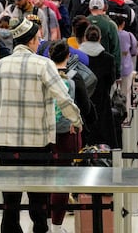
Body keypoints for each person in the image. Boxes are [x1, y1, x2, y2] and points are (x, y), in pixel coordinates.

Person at [0, 17, 82, 233]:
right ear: (30, 41)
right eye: (37, 39)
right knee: (38, 198)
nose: (39, 43)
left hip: (7, 144)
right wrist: (76, 119)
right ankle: (39, 229)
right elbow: (63, 97)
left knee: (10, 199)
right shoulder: (43, 64)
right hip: (38, 142)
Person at [48, 40, 96, 233]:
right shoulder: (74, 78)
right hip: (68, 135)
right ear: (69, 56)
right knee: (63, 180)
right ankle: (57, 226)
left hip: (45, 134)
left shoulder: (44, 77)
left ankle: (43, 222)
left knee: (44, 178)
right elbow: (85, 108)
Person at [79, 24, 118, 148]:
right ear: (99, 38)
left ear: (85, 38)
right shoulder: (108, 59)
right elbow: (111, 80)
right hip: (103, 102)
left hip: (83, 103)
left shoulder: (77, 58)